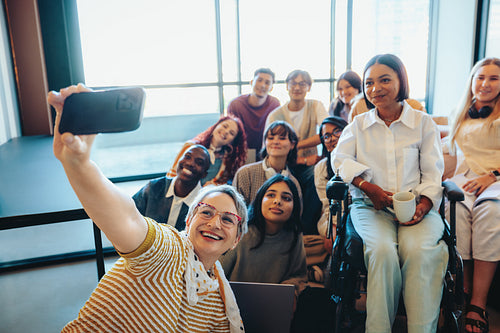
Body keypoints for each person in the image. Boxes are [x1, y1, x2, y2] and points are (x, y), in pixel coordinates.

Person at [49, 84, 248, 332]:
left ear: (236, 239)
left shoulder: (221, 303)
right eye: (206, 211)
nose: (215, 223)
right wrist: (79, 164)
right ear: (188, 221)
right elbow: (128, 218)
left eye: (228, 219)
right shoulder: (168, 251)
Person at [333, 54, 447, 332]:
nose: (376, 89)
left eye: (385, 80)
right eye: (369, 83)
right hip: (369, 207)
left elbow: (433, 173)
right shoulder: (359, 125)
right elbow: (339, 159)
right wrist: (366, 186)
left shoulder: (422, 123)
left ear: (401, 81)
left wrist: (424, 204)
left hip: (417, 206)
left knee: (419, 251)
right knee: (382, 251)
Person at [445, 57, 500, 333]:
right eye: (480, 77)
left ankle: (478, 302)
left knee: (490, 212)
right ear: (472, 80)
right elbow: (449, 146)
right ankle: (463, 290)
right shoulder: (463, 111)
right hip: (468, 177)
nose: (485, 83)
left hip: (497, 177)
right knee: (456, 209)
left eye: (493, 78)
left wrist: (492, 176)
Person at [265, 69, 328, 234]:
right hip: (285, 164)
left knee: (318, 173)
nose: (297, 87)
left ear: (309, 87)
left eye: (302, 84)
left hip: (309, 165)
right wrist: (296, 154)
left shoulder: (315, 105)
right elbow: (268, 146)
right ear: (287, 86)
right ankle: (287, 229)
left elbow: (325, 133)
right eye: (293, 83)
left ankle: (306, 229)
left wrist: (296, 145)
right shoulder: (276, 115)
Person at [221, 174, 307, 292]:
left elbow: (299, 276)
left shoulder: (295, 236)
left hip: (275, 306)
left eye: (286, 198)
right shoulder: (239, 233)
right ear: (260, 199)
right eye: (271, 195)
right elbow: (216, 275)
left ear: (295, 207)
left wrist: (290, 291)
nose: (277, 201)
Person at [132, 144, 211, 231]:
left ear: (204, 174)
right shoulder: (154, 187)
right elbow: (129, 214)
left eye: (199, 163)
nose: (190, 163)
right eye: (187, 157)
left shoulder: (203, 203)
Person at [233, 121, 302, 206]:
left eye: (282, 138)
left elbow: (296, 217)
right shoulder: (245, 173)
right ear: (265, 143)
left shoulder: (294, 183)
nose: (276, 142)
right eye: (271, 138)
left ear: (292, 144)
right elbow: (236, 211)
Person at [167, 116, 247, 186]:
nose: (226, 132)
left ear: (232, 141)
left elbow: (223, 183)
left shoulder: (227, 160)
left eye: (231, 133)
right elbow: (172, 174)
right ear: (216, 126)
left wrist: (214, 186)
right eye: (224, 126)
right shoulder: (191, 146)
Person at [227, 68, 280, 163]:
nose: (262, 85)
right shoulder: (236, 105)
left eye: (267, 83)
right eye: (259, 80)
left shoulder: (274, 104)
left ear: (271, 88)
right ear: (251, 82)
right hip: (241, 152)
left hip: (266, 151)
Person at [314, 116, 348, 238]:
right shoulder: (321, 168)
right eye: (327, 136)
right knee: (334, 236)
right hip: (332, 216)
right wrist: (334, 226)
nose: (333, 138)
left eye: (337, 131)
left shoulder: (361, 158)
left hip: (359, 213)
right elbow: (327, 205)